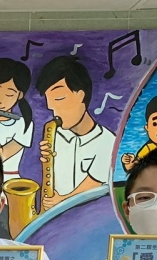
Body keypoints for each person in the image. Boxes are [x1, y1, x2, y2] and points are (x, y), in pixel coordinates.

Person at [35, 56, 116, 209]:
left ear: (81, 95)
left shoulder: (107, 141)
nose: (56, 114)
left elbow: (94, 184)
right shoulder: (56, 136)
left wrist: (61, 201)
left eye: (60, 99)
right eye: (51, 107)